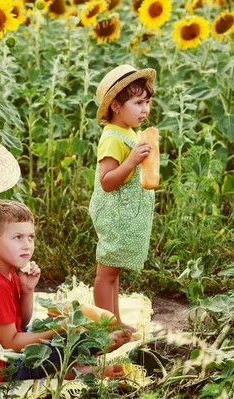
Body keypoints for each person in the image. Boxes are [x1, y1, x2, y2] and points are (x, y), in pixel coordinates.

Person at [0, 200, 130, 384]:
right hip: (1, 368)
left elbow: (21, 323)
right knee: (74, 339)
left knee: (62, 331)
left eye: (30, 237)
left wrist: (27, 289)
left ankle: (73, 365)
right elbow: (12, 344)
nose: (27, 245)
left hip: (3, 351)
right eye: (17, 237)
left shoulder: (4, 269)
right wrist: (59, 329)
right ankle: (87, 358)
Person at [89, 64, 156, 333]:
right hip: (113, 214)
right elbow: (106, 182)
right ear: (115, 106)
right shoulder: (111, 138)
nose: (145, 109)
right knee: (105, 275)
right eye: (138, 102)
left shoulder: (129, 132)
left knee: (114, 272)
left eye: (148, 102)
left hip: (124, 214)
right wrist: (131, 161)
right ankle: (105, 329)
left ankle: (114, 322)